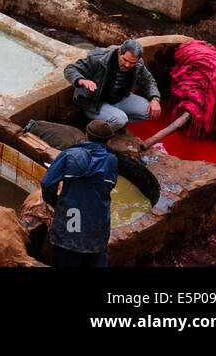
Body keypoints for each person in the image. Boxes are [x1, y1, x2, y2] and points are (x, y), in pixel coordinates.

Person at [40, 119, 119, 267]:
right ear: (108, 141)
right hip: (96, 229)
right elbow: (108, 187)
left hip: (69, 226)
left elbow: (47, 183)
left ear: (85, 135)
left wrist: (55, 202)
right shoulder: (111, 161)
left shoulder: (69, 155)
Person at [64, 38, 162, 131]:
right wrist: (81, 80)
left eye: (132, 63)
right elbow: (70, 69)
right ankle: (95, 132)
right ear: (119, 52)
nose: (127, 65)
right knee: (120, 120)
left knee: (151, 112)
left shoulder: (138, 64)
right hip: (93, 103)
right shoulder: (98, 58)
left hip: (119, 98)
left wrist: (154, 99)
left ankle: (110, 118)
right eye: (125, 60)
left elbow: (148, 81)